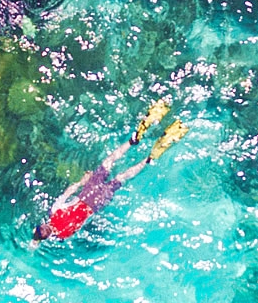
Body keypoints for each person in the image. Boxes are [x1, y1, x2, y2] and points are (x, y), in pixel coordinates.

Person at [35, 101, 188, 241]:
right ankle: (144, 155)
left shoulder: (58, 219)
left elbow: (70, 193)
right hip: (93, 202)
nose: (45, 229)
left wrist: (83, 181)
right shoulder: (61, 230)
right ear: (46, 234)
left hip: (88, 196)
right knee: (118, 175)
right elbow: (75, 204)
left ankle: (137, 146)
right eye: (44, 231)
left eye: (42, 229)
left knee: (111, 166)